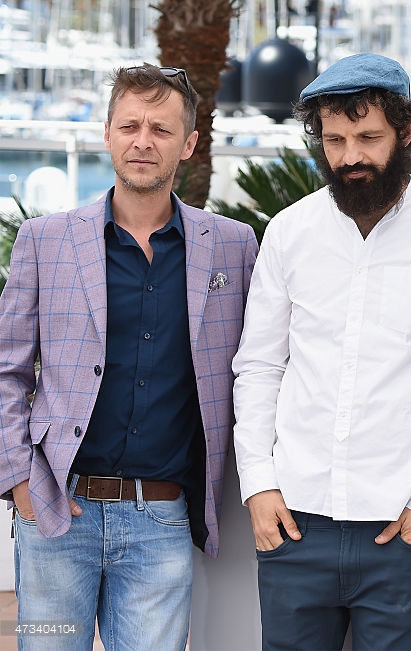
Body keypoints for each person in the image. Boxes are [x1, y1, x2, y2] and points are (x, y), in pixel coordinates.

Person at [231, 52, 411, 651]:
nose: (351, 157)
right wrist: (259, 486)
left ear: (406, 132)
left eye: (369, 137)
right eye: (335, 139)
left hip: (400, 529)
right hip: (293, 523)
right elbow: (259, 366)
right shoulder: (289, 232)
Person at [0, 63, 258, 650]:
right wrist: (19, 482)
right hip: (55, 512)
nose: (143, 142)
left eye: (162, 130)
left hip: (161, 522)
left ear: (190, 143)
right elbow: (6, 369)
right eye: (130, 126)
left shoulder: (235, 246)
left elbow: (260, 365)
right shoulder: (45, 240)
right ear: (108, 133)